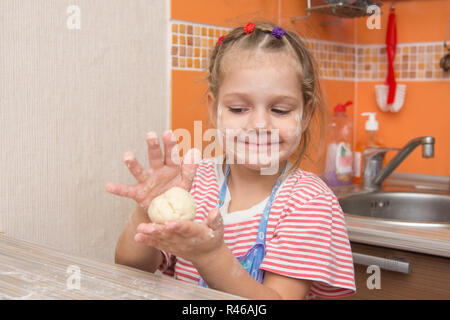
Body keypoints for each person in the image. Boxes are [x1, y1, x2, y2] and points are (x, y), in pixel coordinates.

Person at [106, 22, 356, 300]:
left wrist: (210, 256)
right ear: (214, 109)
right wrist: (147, 209)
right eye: (239, 108)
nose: (260, 123)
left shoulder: (309, 202)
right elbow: (132, 267)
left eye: (280, 109)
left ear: (305, 114)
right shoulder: (194, 182)